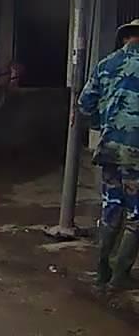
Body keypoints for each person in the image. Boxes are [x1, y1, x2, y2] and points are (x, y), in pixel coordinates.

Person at [79, 18, 139, 290]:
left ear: (125, 37)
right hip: (136, 152)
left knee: (112, 206)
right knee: (136, 214)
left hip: (109, 150)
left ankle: (102, 271)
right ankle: (120, 275)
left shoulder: (105, 65)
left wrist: (102, 124)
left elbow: (84, 104)